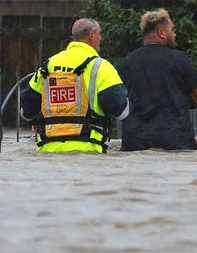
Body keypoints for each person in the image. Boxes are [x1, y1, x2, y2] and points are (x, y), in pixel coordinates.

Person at [116, 9, 197, 151]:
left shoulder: (125, 64)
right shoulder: (180, 60)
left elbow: (116, 100)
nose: (175, 34)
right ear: (161, 33)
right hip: (174, 140)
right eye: (172, 30)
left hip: (134, 142)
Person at [19, 18, 129, 153]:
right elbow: (121, 111)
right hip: (89, 151)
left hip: (48, 153)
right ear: (91, 35)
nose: (101, 38)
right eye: (100, 34)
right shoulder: (101, 67)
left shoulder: (48, 65)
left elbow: (26, 111)